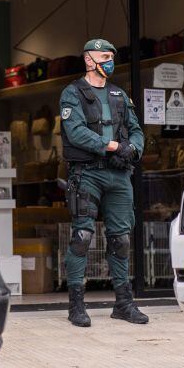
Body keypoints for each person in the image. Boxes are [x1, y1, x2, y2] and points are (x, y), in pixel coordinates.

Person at [59, 38, 148, 327]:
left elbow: (136, 131)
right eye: (104, 56)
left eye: (111, 56)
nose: (109, 60)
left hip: (119, 174)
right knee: (82, 237)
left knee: (121, 239)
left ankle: (123, 303)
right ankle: (76, 305)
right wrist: (112, 146)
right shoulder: (72, 94)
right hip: (88, 173)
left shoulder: (120, 94)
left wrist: (133, 148)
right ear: (88, 60)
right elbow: (76, 133)